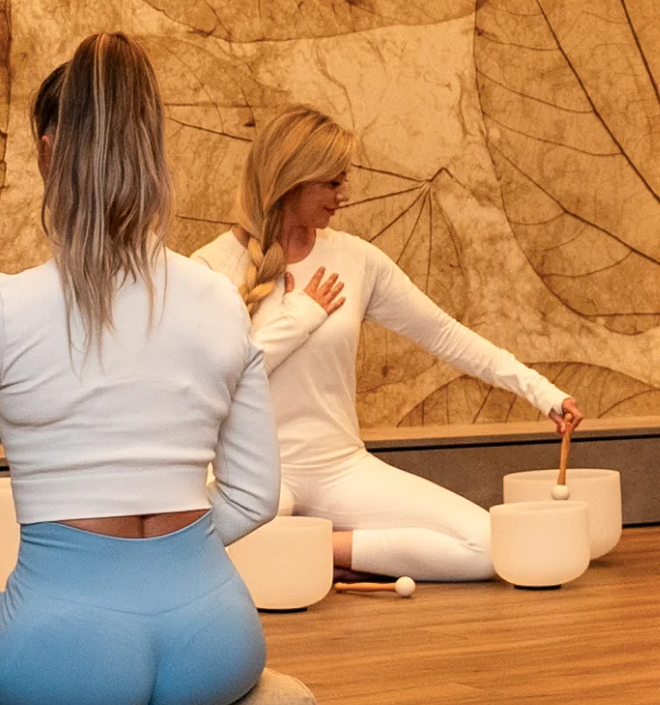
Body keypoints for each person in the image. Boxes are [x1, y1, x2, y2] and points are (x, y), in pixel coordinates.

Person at [0, 34, 280, 705]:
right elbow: (257, 498)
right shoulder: (222, 298)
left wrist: (2, 408)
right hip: (220, 643)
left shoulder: (3, 308)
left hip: (64, 654)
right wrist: (165, 563)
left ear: (50, 150)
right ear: (155, 151)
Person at [193, 105, 579, 584]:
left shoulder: (356, 261)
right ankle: (300, 550)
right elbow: (217, 377)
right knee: (188, 554)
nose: (344, 195)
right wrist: (302, 319)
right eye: (333, 182)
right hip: (250, 479)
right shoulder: (207, 268)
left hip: (339, 469)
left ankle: (322, 548)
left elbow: (443, 333)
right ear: (294, 180)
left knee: (485, 545)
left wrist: (541, 391)